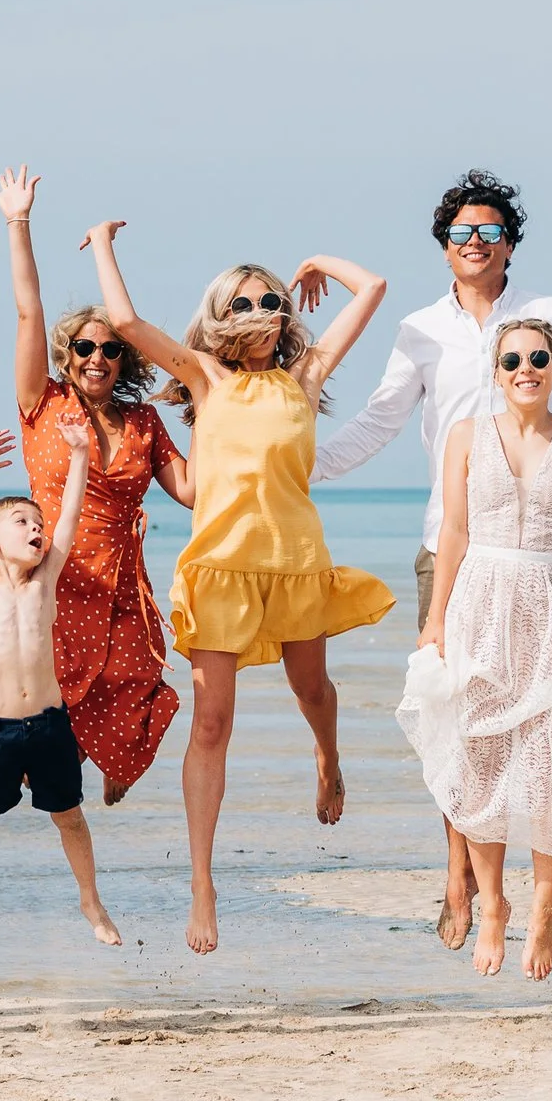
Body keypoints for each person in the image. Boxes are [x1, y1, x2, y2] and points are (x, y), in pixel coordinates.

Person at [316, 169, 552, 949]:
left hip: (547, 564)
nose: (474, 244)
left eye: (489, 233)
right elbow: (380, 420)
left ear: (509, 245)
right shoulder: (420, 330)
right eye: (462, 233)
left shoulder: (547, 321)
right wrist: (300, 468)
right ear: (444, 246)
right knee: (463, 719)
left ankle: (539, 888)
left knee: (551, 731)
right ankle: (460, 876)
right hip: (453, 545)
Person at [84, 221, 393, 955]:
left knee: (312, 690)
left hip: (293, 561)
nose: (260, 309)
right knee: (212, 723)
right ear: (222, 313)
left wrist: (318, 259)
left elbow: (374, 287)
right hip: (219, 566)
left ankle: (329, 757)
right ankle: (203, 881)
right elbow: (125, 323)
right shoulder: (203, 376)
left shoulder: (304, 376)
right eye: (245, 300)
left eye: (271, 299)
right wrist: (102, 241)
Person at [397, 319, 552, 981]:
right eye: (512, 359)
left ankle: (545, 900)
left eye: (538, 357)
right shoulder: (467, 434)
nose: (526, 367)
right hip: (480, 602)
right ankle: (491, 903)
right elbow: (455, 531)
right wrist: (436, 619)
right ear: (496, 372)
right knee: (480, 761)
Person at [0, 165, 192, 807]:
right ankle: (52, 788)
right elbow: (29, 309)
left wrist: (217, 410)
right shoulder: (41, 404)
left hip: (123, 580)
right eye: (83, 348)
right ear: (66, 356)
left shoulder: (144, 420)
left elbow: (189, 491)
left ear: (123, 361)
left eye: (109, 350)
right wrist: (18, 223)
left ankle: (106, 761)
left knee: (139, 685)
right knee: (50, 709)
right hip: (56, 571)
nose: (96, 358)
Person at [0, 422, 124, 951]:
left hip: (49, 726)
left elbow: (69, 516)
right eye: (22, 521)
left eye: (37, 523)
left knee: (70, 817)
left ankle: (90, 899)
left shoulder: (47, 580)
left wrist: (82, 453)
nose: (36, 528)